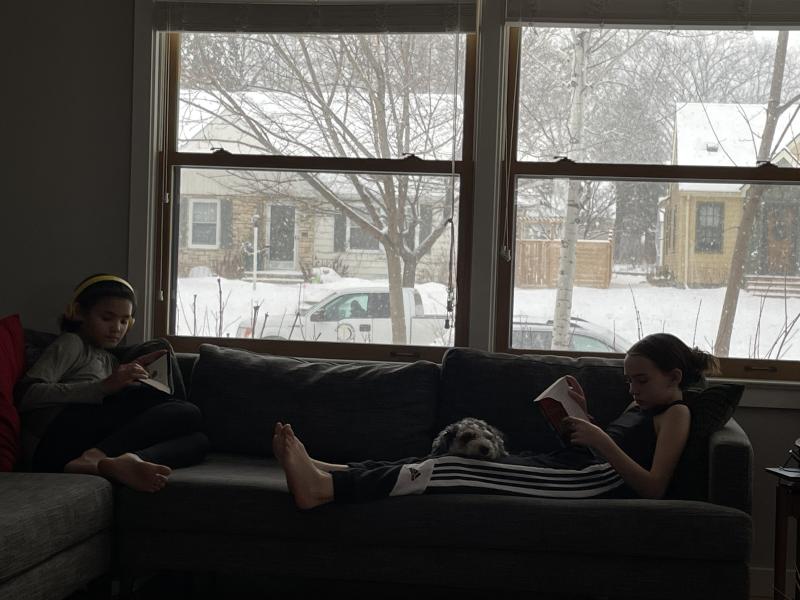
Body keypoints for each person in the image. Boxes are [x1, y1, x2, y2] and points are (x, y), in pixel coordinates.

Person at [273, 333, 718, 509]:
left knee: (453, 468)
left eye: (641, 380)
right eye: (628, 380)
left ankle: (325, 489)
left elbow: (652, 487)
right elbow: (609, 444)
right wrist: (580, 415)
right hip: (572, 466)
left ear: (674, 377)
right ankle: (336, 469)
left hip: (589, 484)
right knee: (448, 461)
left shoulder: (676, 414)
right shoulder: (643, 406)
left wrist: (601, 440)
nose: (633, 388)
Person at [17, 274, 208, 492]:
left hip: (80, 448)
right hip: (54, 442)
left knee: (199, 442)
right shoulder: (72, 343)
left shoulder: (111, 359)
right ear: (78, 312)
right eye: (107, 318)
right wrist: (104, 387)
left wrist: (130, 379)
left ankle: (124, 462)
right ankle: (95, 457)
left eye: (124, 321)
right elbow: (26, 394)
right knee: (188, 411)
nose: (117, 328)